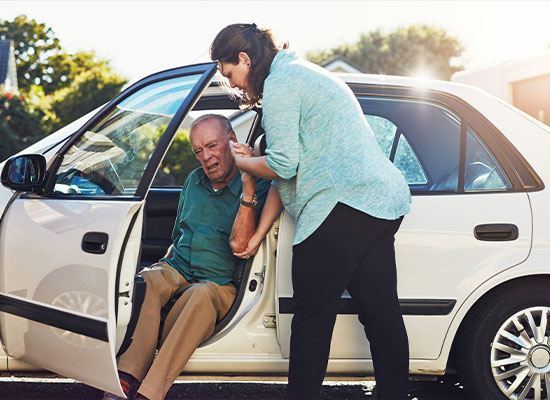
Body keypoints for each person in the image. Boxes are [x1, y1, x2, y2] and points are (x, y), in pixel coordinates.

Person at [211, 24, 412, 400]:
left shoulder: (281, 84)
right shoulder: (302, 72)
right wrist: (258, 232)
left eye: (230, 74)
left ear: (244, 58)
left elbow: (282, 166)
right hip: (378, 202)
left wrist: (246, 164)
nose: (234, 84)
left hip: (341, 203)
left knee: (310, 322)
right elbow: (290, 173)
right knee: (381, 314)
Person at [103, 114, 270, 400]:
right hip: (179, 269)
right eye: (198, 151)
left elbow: (241, 244)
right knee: (147, 280)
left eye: (212, 146)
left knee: (200, 294)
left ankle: (150, 392)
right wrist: (163, 267)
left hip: (219, 283)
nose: (206, 158)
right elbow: (178, 235)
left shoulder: (258, 184)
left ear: (232, 141)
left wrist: (247, 185)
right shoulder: (194, 181)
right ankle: (128, 374)